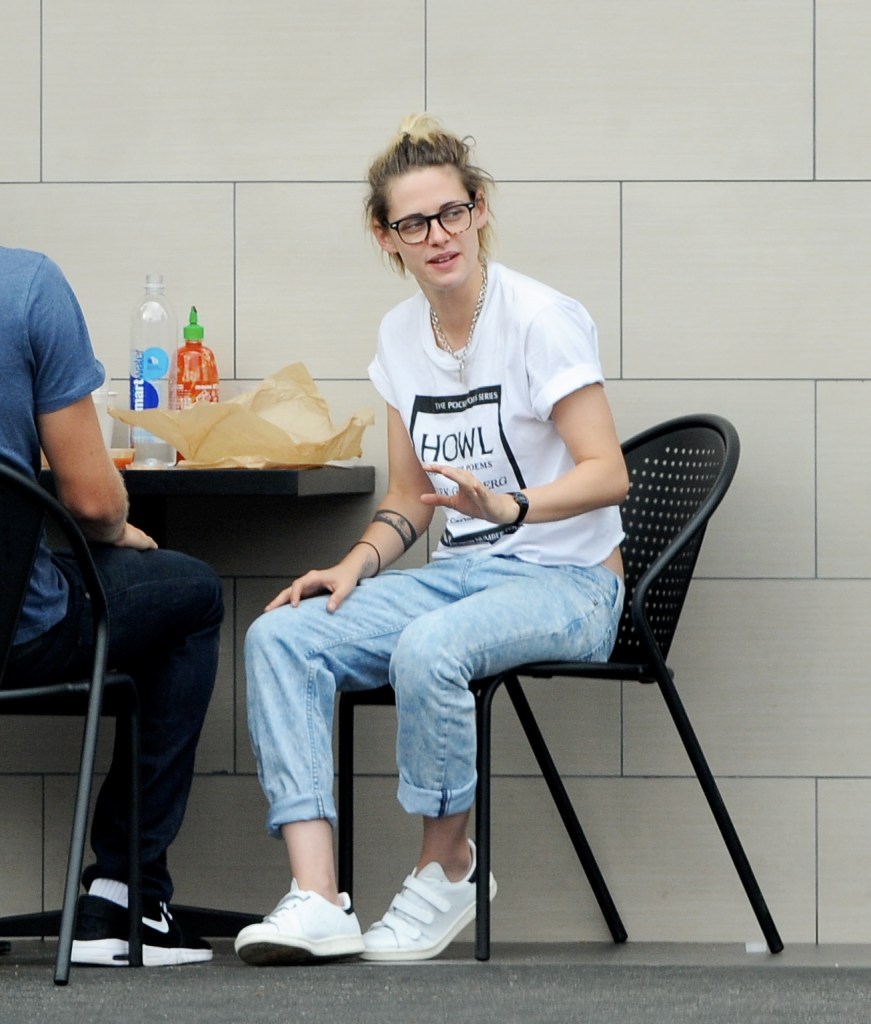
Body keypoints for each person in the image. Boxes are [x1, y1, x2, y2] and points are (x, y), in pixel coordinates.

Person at [234, 114, 628, 966]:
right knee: (282, 636)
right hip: (460, 578)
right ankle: (317, 898)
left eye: (451, 213)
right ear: (387, 238)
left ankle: (447, 867)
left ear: (479, 209)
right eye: (413, 224)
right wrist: (351, 565)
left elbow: (608, 473)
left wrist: (508, 507)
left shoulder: (539, 319)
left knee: (429, 647)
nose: (437, 236)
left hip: (569, 584)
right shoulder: (398, 337)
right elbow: (409, 499)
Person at [0, 245, 223, 967]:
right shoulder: (26, 286)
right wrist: (116, 528)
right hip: (17, 634)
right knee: (188, 596)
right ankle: (125, 895)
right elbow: (93, 502)